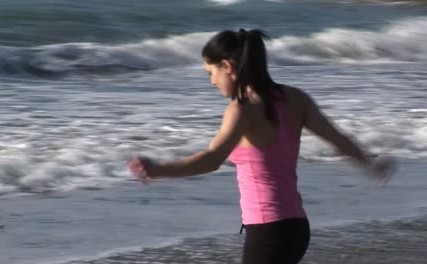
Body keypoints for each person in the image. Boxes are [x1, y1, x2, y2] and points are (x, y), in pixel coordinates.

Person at [128, 29, 395, 264]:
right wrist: (370, 164)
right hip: (296, 228)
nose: (211, 81)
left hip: (269, 231)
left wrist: (158, 170)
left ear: (227, 66)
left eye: (211, 73)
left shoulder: (242, 110)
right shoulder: (296, 98)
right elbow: (337, 138)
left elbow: (211, 160)